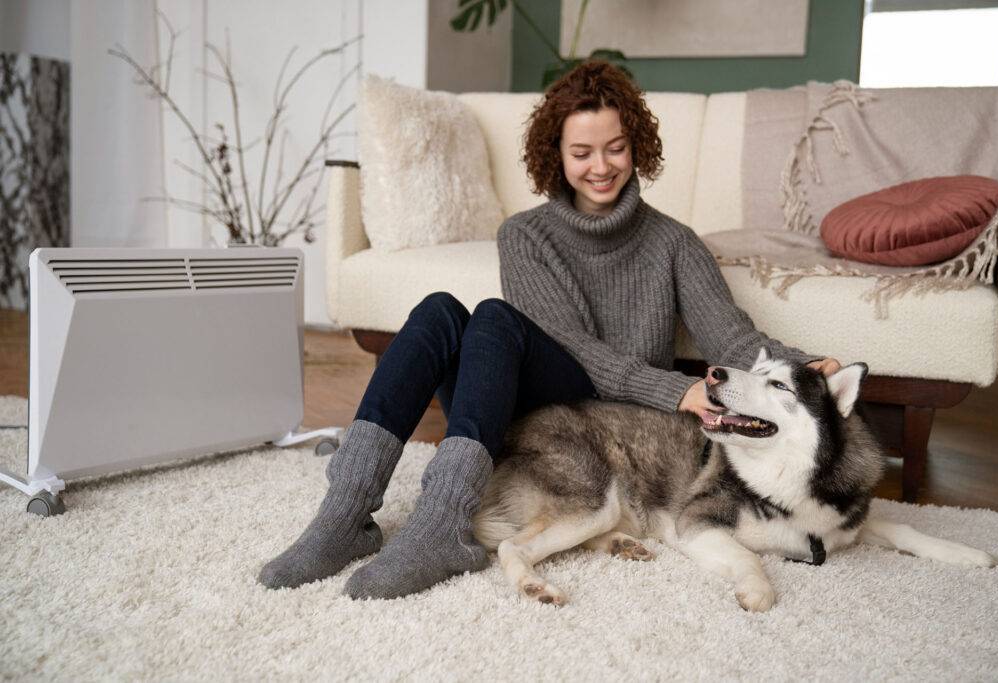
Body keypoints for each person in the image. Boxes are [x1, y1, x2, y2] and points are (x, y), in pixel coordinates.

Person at [258, 60, 840, 599]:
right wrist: (676, 390)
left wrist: (805, 366)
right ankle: (345, 514)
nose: (601, 166)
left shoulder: (674, 243)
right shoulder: (525, 236)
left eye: (616, 148)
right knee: (440, 310)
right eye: (582, 151)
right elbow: (573, 346)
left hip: (605, 430)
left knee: (490, 316)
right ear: (555, 155)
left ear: (637, 148)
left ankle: (441, 525)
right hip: (522, 404)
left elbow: (733, 338)